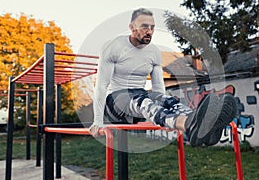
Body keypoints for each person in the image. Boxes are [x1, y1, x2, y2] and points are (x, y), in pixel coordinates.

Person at [90, 8, 236, 147]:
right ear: (132, 27)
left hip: (139, 95)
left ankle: (205, 125)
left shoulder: (153, 52)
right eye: (144, 27)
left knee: (168, 100)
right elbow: (101, 86)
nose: (149, 31)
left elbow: (158, 88)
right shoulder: (113, 47)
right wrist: (97, 120)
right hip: (115, 102)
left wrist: (165, 119)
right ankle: (188, 124)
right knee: (143, 101)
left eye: (152, 27)